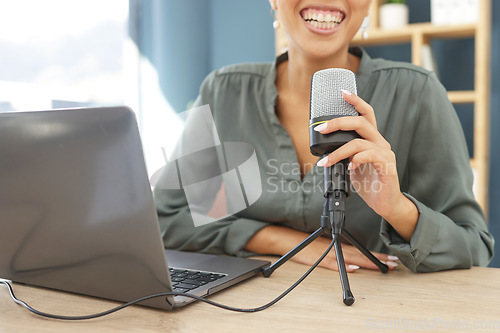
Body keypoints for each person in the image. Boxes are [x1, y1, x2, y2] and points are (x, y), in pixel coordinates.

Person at [153, 0, 494, 273]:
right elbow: (165, 220)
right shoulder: (223, 92)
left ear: (369, 5)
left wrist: (396, 208)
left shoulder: (417, 93)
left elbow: (474, 246)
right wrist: (285, 242)